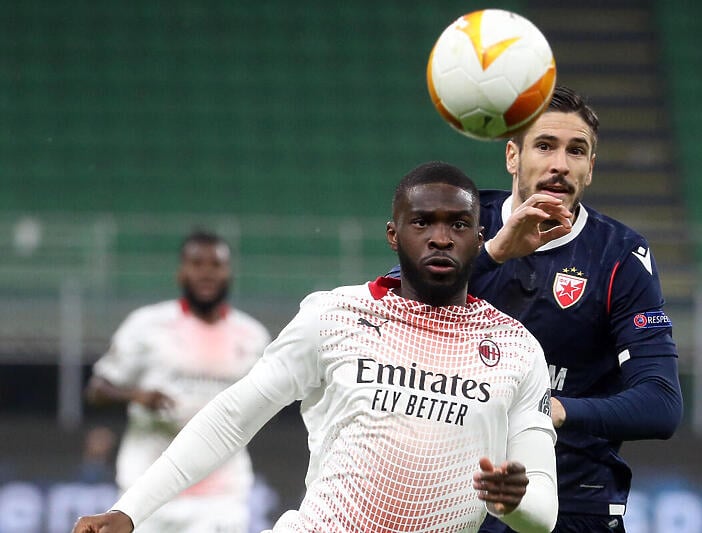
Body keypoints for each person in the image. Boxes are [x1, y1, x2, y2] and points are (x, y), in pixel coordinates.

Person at [72, 161, 559, 533]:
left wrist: (513, 502)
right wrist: (128, 511)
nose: (439, 237)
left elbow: (544, 514)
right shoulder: (334, 316)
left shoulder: (517, 349)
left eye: (457, 225)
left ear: (479, 238)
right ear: (393, 234)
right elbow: (231, 418)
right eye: (421, 223)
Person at [472, 86, 684, 533]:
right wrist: (492, 254)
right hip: (455, 495)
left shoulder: (621, 257)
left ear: (590, 170)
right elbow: (396, 304)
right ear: (513, 156)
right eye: (544, 146)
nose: (560, 165)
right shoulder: (464, 221)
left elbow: (661, 403)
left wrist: (553, 409)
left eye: (577, 151)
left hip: (574, 504)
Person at [82, 230, 272, 533]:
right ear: (181, 272)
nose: (206, 272)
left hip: (221, 496)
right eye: (197, 263)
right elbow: (96, 390)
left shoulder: (253, 336)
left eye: (215, 264)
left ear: (229, 272)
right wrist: (135, 395)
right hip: (147, 492)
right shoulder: (146, 325)